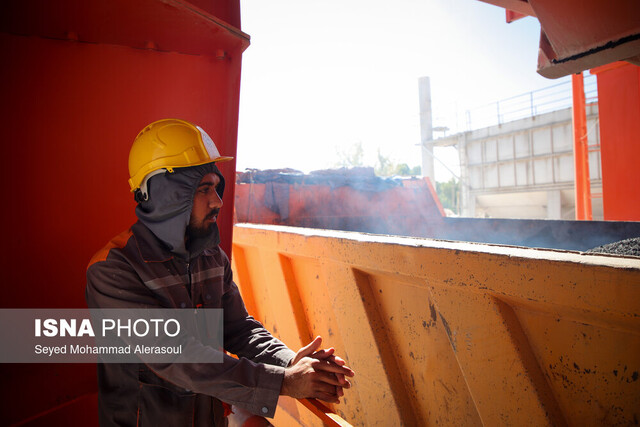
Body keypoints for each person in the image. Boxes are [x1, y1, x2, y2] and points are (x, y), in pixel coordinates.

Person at [86, 118, 354, 426]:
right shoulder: (113, 269)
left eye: (216, 187)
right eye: (204, 189)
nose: (218, 201)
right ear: (166, 194)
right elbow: (176, 356)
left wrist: (289, 361)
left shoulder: (211, 257)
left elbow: (239, 328)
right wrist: (284, 381)